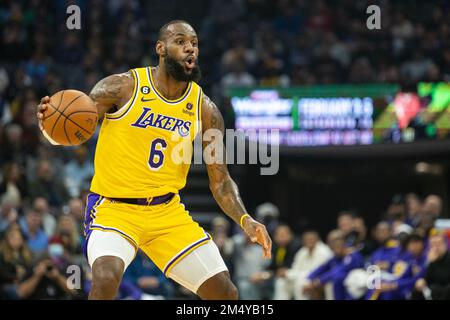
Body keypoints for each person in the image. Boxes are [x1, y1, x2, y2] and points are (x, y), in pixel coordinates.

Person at [37, 20, 272, 300]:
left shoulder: (205, 109)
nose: (190, 49)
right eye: (181, 42)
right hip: (114, 209)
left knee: (225, 292)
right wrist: (49, 129)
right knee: (105, 277)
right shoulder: (122, 87)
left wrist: (245, 219)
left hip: (167, 212)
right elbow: (76, 125)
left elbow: (220, 182)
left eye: (194, 43)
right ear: (161, 48)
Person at [303, 230, 364, 300]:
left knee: (336, 278)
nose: (335, 247)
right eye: (332, 244)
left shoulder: (352, 255)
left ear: (344, 243)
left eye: (338, 244)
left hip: (355, 289)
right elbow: (322, 268)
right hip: (342, 289)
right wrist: (308, 280)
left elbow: (338, 270)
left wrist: (319, 281)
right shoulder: (337, 256)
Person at [280, 230, 333, 300]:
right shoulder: (302, 251)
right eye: (306, 240)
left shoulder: (324, 251)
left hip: (318, 279)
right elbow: (295, 269)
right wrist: (287, 273)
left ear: (317, 240)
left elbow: (320, 271)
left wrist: (291, 274)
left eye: (311, 239)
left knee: (301, 282)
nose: (309, 241)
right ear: (303, 241)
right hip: (302, 278)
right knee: (281, 282)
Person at [413, 233, 450, 300]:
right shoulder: (430, 260)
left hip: (445, 293)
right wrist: (428, 262)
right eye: (433, 244)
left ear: (445, 244)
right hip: (431, 293)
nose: (436, 247)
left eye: (438, 244)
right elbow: (420, 278)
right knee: (416, 289)